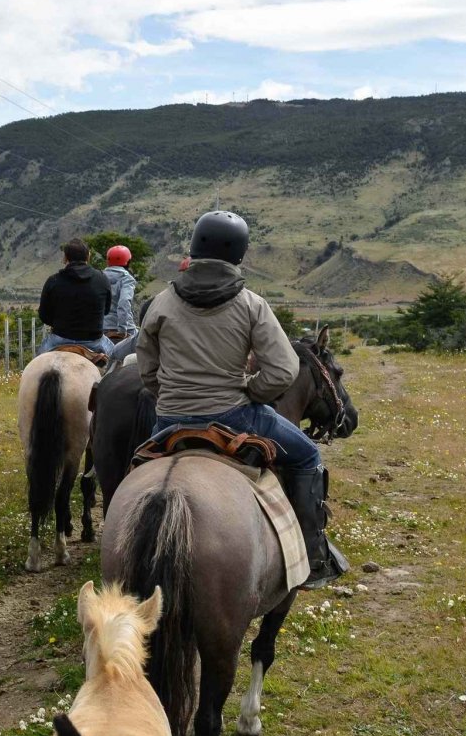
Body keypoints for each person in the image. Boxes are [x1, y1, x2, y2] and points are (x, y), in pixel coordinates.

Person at [136, 204, 344, 589]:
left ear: (194, 249)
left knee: (138, 470)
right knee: (309, 456)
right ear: (240, 254)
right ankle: (313, 557)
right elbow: (284, 370)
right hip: (234, 416)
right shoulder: (252, 305)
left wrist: (167, 395)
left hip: (169, 420)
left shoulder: (161, 302)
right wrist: (252, 391)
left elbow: (146, 367)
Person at [37, 238, 114, 357]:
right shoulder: (102, 279)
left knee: (35, 367)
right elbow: (106, 310)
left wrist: (59, 324)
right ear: (88, 257)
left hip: (59, 339)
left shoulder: (53, 281)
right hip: (95, 342)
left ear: (65, 258)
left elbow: (43, 315)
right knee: (117, 361)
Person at [102, 244, 138, 343]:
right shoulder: (127, 279)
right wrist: (122, 329)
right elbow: (124, 302)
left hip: (102, 327)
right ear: (127, 262)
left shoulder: (99, 277)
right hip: (125, 328)